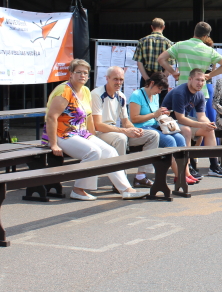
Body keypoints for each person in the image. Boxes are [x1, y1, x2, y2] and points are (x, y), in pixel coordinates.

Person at [42, 59, 147, 200]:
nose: (82, 75)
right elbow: (51, 117)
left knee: (110, 151)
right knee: (93, 151)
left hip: (81, 132)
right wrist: (54, 144)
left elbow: (89, 116)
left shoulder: (85, 90)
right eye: (78, 72)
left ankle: (126, 189)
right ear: (71, 74)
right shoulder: (64, 91)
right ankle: (78, 190)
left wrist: (92, 136)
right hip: (62, 134)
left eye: (85, 73)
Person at [158, 22, 222, 178]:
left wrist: (172, 72)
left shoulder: (180, 45)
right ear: (206, 36)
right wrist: (209, 75)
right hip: (187, 94)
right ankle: (192, 165)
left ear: (194, 32)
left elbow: (161, 58)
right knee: (188, 130)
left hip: (190, 88)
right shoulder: (208, 49)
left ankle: (204, 165)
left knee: (205, 128)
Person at [91, 66, 160, 189]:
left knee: (153, 135)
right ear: (107, 78)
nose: (118, 82)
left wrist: (134, 129)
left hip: (115, 131)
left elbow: (125, 121)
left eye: (121, 79)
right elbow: (98, 125)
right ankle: (120, 181)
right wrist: (125, 130)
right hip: (99, 133)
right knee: (121, 138)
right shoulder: (96, 94)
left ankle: (141, 176)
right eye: (115, 79)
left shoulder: (121, 96)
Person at [128, 72, 195, 184]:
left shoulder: (155, 95)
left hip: (155, 126)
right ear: (151, 83)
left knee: (180, 138)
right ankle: (179, 176)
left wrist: (162, 114)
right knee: (170, 141)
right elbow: (134, 119)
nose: (159, 92)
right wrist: (154, 114)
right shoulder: (136, 95)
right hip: (141, 128)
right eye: (159, 88)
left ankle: (186, 173)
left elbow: (155, 115)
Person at [162, 68, 222, 177]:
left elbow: (202, 116)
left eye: (202, 80)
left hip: (180, 120)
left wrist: (208, 124)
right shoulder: (180, 92)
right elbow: (180, 118)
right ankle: (188, 166)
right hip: (167, 122)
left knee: (209, 130)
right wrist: (201, 124)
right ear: (190, 79)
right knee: (187, 130)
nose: (200, 83)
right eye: (197, 80)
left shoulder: (199, 94)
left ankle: (214, 166)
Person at [133, 18, 173, 103]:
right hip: (161, 76)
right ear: (163, 27)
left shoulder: (142, 41)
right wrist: (163, 78)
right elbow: (170, 64)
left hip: (147, 76)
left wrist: (147, 79)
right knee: (161, 105)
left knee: (144, 103)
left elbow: (139, 63)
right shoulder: (168, 43)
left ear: (152, 27)